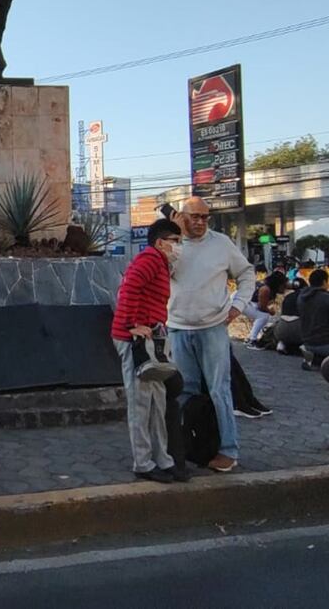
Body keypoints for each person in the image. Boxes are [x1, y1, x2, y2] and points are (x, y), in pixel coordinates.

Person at [167, 197, 256, 473]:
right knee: (184, 391)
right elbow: (161, 273)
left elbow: (246, 273)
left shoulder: (221, 244)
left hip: (213, 327)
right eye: (194, 216)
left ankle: (228, 450)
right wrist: (176, 238)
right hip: (178, 327)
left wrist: (238, 306)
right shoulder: (171, 245)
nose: (200, 222)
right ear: (182, 216)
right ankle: (185, 447)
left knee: (220, 390)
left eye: (205, 217)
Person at [111, 218, 187, 483]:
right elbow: (129, 287)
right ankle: (143, 463)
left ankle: (162, 459)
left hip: (150, 340)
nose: (178, 247)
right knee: (141, 404)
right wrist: (132, 324)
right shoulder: (151, 259)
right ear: (160, 242)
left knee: (157, 401)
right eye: (175, 241)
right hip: (136, 342)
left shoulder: (159, 262)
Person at [243, 271, 288, 349]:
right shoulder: (265, 289)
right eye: (283, 285)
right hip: (242, 301)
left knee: (262, 316)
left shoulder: (269, 288)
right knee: (263, 316)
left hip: (248, 302)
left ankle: (251, 337)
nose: (285, 287)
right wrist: (270, 311)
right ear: (278, 284)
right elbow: (262, 307)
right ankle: (252, 340)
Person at [298, 268, 329, 369]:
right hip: (324, 343)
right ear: (324, 281)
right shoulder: (326, 298)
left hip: (306, 341)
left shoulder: (301, 298)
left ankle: (314, 359)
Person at [275, 280, 304, 355]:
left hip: (281, 328)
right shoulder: (307, 297)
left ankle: (282, 343)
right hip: (298, 329)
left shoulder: (288, 297)